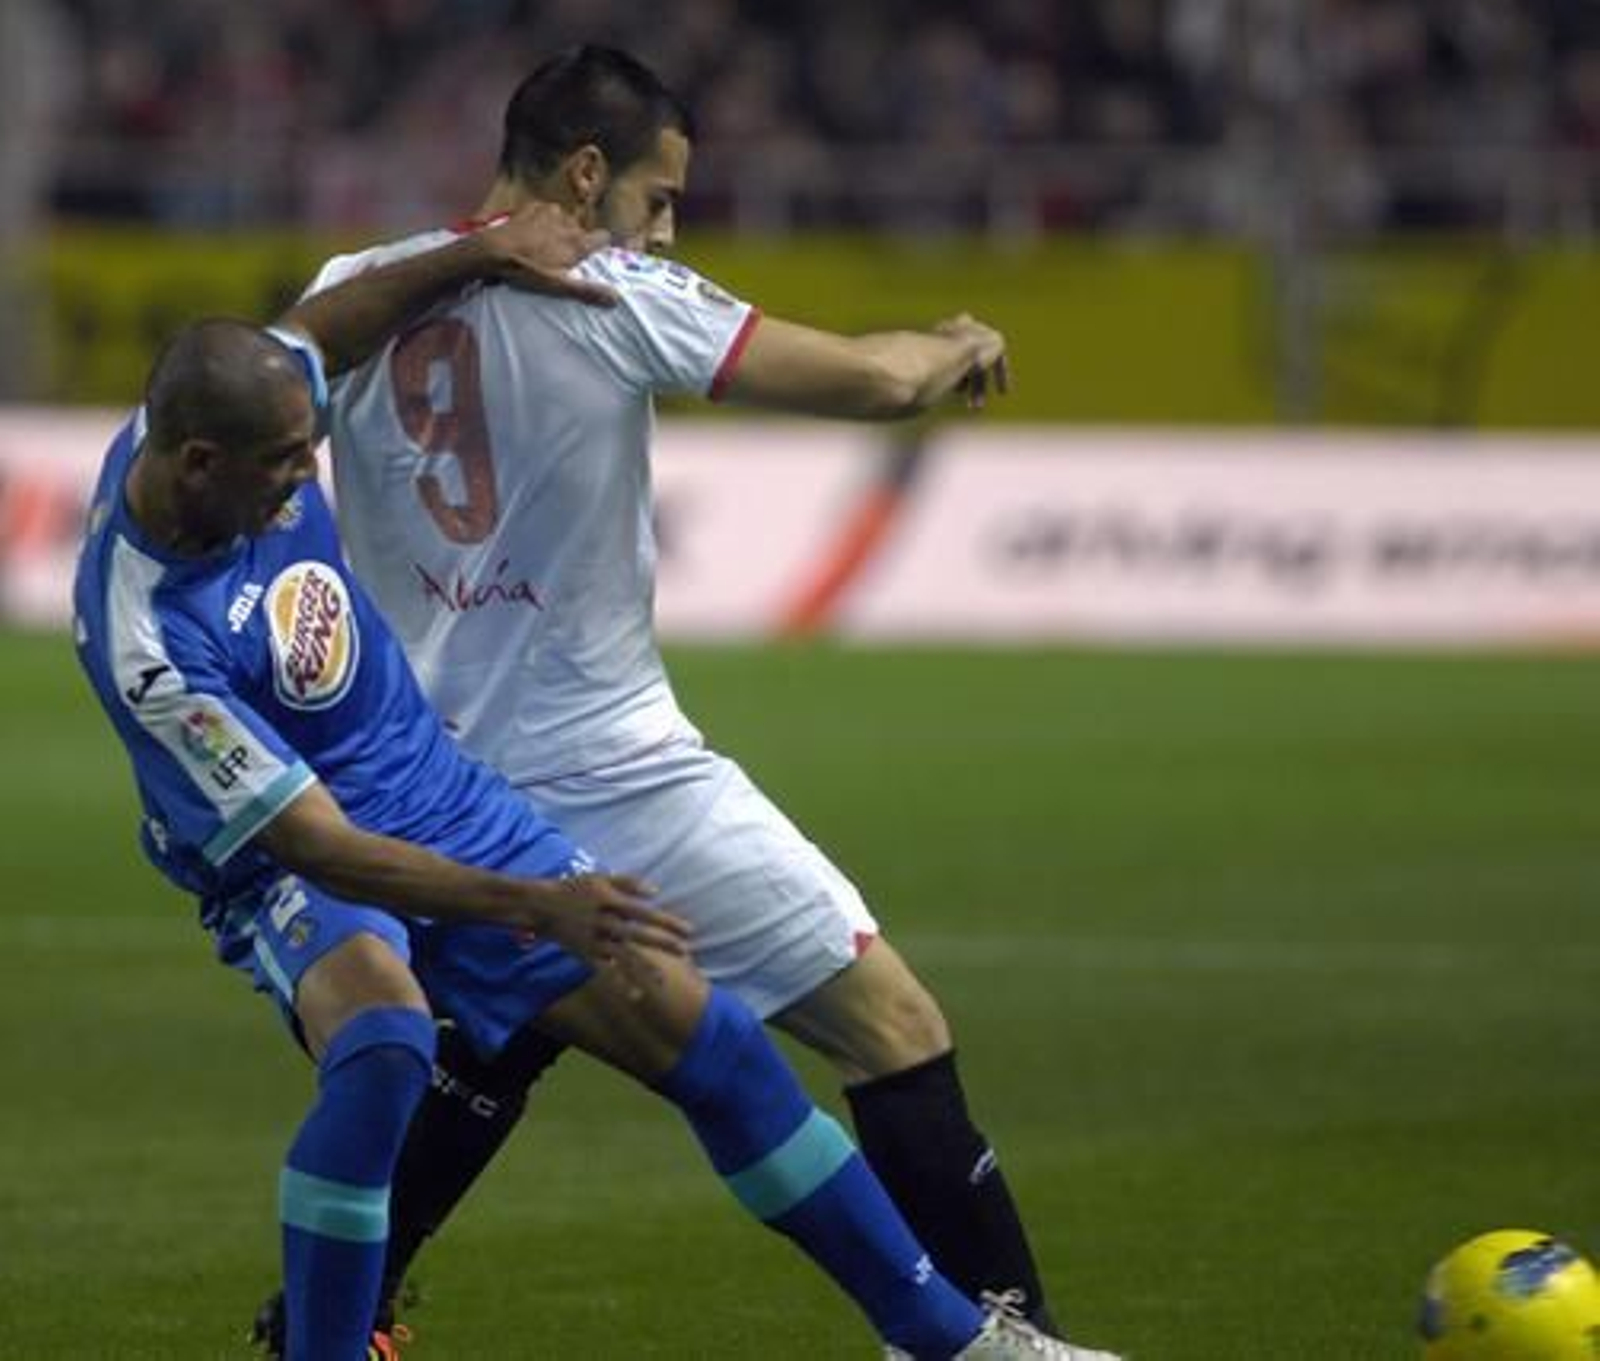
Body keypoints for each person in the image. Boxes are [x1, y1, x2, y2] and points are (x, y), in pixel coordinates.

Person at [71, 208, 1107, 1361]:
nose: (299, 480)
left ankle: (950, 1339)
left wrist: (480, 251)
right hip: (280, 855)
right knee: (384, 1042)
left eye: (303, 449)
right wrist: (531, 903)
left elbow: (323, 326)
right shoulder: (148, 637)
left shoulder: (232, 411)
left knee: (705, 1035)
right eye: (279, 467)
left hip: (431, 786)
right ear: (198, 463)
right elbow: (315, 843)